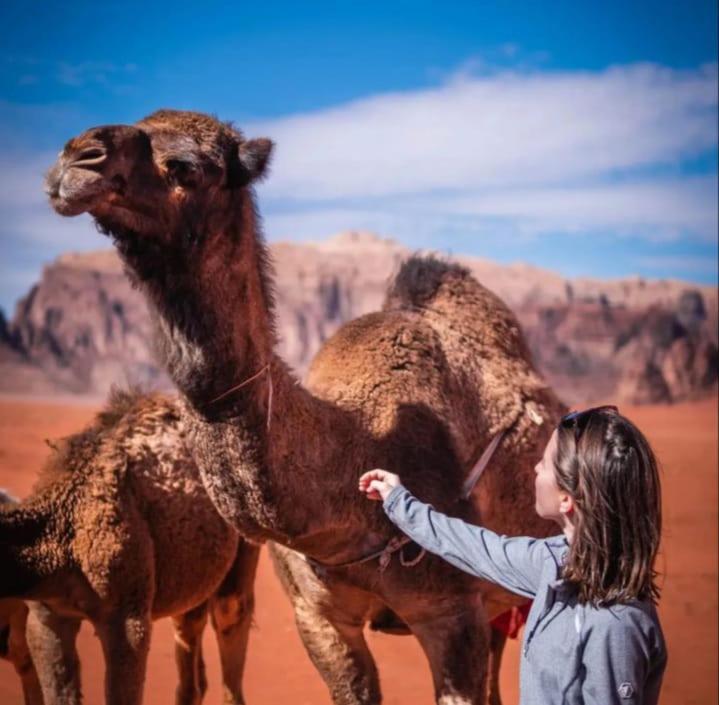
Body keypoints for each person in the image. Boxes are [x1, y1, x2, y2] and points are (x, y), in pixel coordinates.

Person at [359, 406, 667, 704]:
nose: (535, 468)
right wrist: (398, 501)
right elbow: (476, 547)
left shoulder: (613, 627)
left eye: (544, 464)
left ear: (566, 500)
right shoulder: (554, 562)